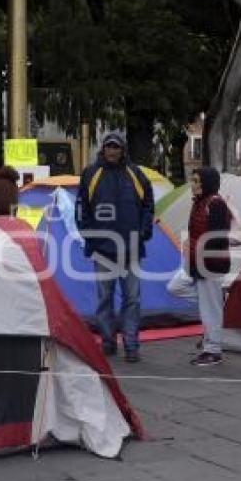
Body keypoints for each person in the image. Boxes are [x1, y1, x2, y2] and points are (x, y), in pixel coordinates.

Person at [76, 131, 154, 363]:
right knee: (104, 298)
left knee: (132, 298)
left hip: (131, 248)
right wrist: (91, 238)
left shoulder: (136, 174)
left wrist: (143, 232)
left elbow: (148, 205)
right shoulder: (91, 174)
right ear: (103, 148)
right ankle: (108, 341)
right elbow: (82, 209)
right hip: (103, 250)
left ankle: (131, 345)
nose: (112, 151)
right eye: (109, 146)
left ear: (123, 150)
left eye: (116, 147)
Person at [182, 167, 231, 366]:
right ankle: (219, 302)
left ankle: (213, 350)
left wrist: (201, 256)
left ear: (206, 183)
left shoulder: (215, 204)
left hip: (210, 264)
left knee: (210, 309)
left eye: (196, 181)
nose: (192, 185)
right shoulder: (199, 203)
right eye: (192, 180)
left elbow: (218, 237)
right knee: (176, 286)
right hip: (197, 262)